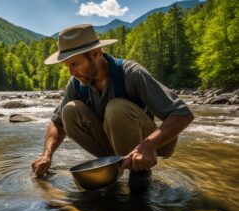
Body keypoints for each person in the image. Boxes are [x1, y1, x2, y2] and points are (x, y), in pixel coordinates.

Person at [32, 24, 194, 191]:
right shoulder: (76, 84)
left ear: (95, 54)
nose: (71, 72)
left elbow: (182, 114)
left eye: (74, 64)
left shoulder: (131, 73)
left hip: (156, 145)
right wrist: (46, 156)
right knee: (69, 111)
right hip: (117, 145)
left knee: (116, 108)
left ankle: (140, 172)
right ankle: (113, 166)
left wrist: (148, 146)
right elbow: (57, 123)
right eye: (67, 66)